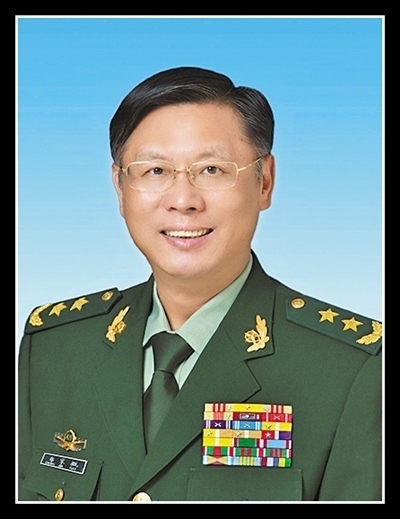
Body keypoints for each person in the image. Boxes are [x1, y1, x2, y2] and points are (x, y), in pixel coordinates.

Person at [18, 66, 382, 502]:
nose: (183, 200)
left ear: (264, 181)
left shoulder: (351, 369)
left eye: (211, 169)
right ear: (120, 187)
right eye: (155, 170)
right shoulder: (54, 348)